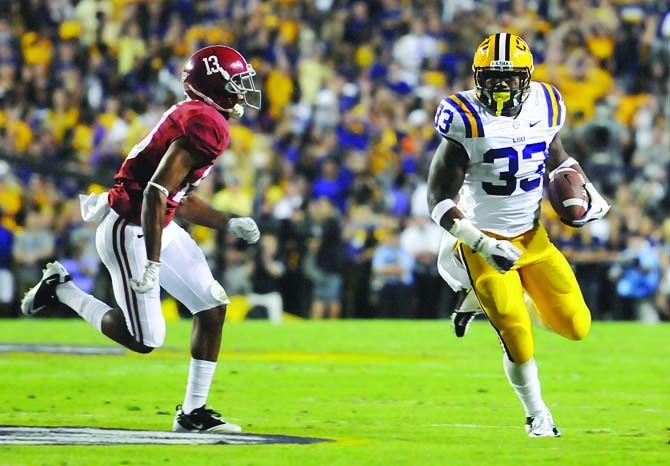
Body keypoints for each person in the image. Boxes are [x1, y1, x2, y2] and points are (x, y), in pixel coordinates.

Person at [20, 46, 262, 434]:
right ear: (214, 86)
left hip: (154, 224)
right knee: (145, 338)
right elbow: (155, 193)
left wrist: (228, 223)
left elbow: (175, 197)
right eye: (235, 83)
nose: (242, 90)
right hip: (130, 228)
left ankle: (192, 412)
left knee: (213, 306)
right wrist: (151, 262)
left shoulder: (199, 115)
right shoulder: (207, 124)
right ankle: (62, 290)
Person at [427, 33, 610, 437]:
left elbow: (559, 160)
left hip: (532, 237)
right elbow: (438, 201)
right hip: (482, 239)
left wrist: (588, 197)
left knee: (576, 326)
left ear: (527, 76)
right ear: (477, 76)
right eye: (492, 77)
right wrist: (482, 244)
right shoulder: (464, 117)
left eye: (509, 78)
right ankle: (538, 415)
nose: (501, 85)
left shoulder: (547, 103)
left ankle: (496, 299)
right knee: (517, 337)